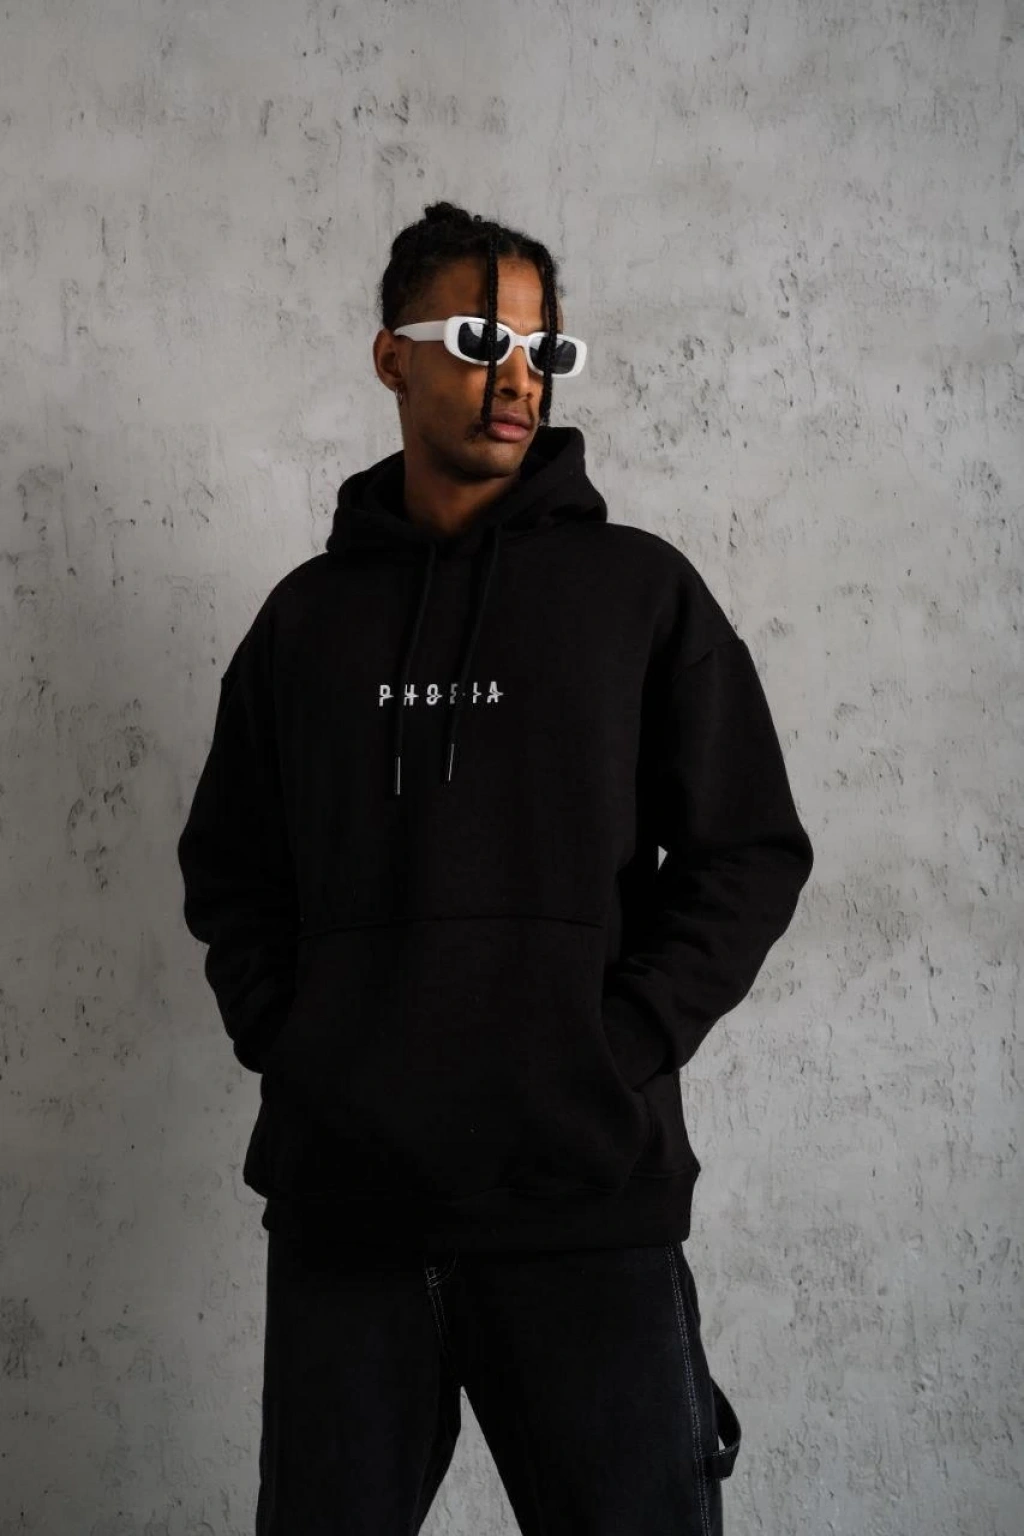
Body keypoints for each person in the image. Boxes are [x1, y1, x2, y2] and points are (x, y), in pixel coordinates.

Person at [177, 200, 814, 1535]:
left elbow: (748, 849)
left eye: (542, 350)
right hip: (349, 1213)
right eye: (478, 342)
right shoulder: (306, 621)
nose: (518, 376)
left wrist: (616, 1043)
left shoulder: (640, 594)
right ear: (391, 358)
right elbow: (232, 869)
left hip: (585, 1206)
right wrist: (301, 1040)